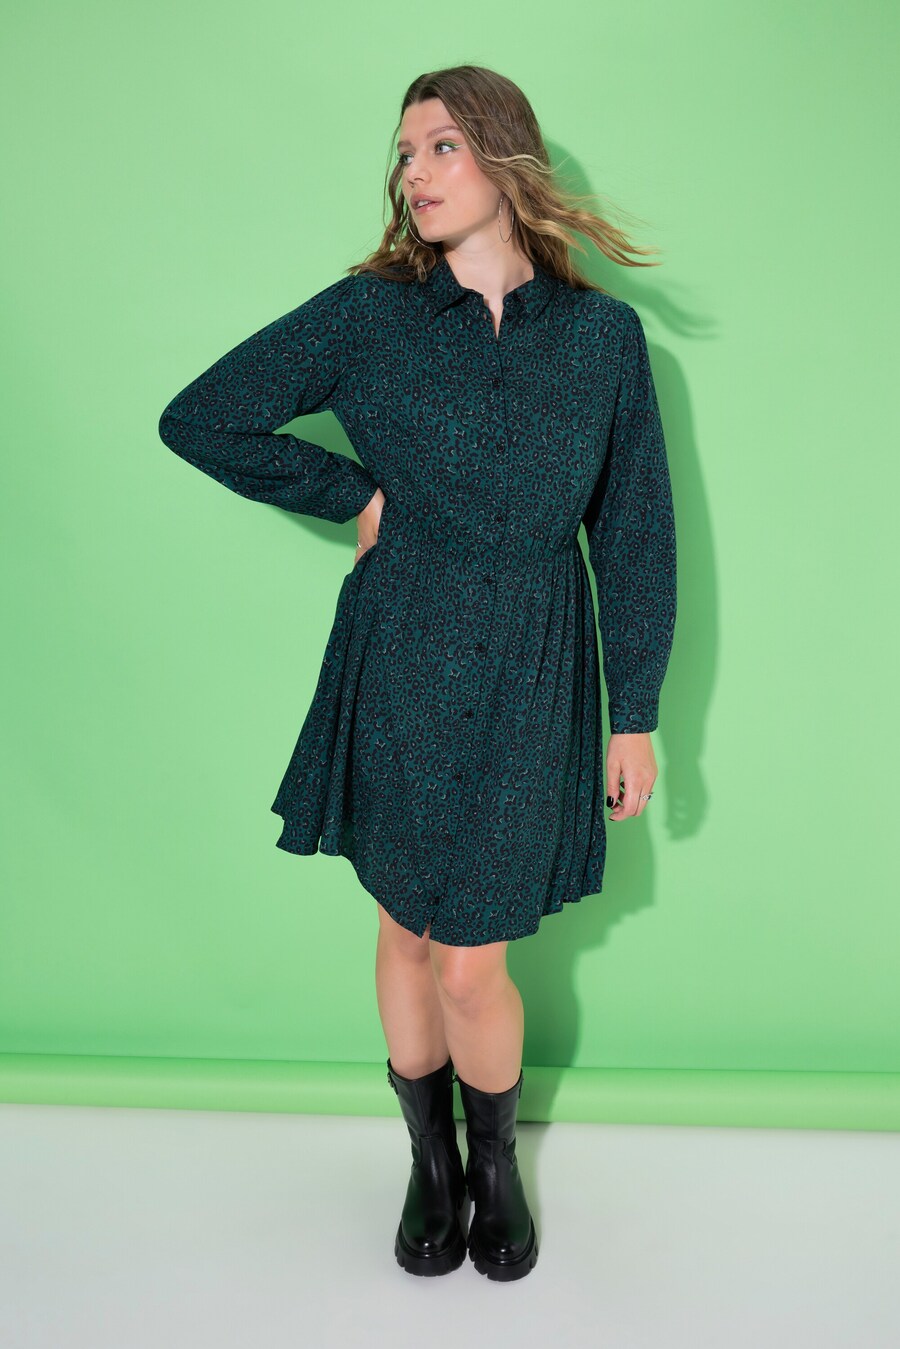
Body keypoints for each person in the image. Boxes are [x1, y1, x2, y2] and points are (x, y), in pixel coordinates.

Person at [158, 64, 676, 1283]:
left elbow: (637, 532)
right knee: (403, 925)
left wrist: (637, 711)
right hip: (401, 648)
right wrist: (354, 491)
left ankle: (496, 1164)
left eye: (440, 145)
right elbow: (201, 415)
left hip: (538, 663)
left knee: (472, 958)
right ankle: (429, 1160)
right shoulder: (368, 316)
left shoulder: (602, 338)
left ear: (504, 154)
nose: (415, 172)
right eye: (404, 153)